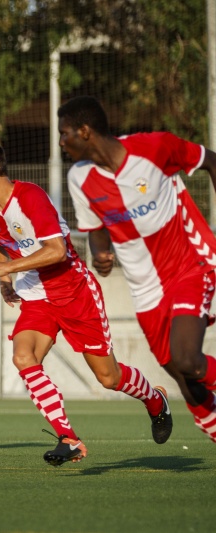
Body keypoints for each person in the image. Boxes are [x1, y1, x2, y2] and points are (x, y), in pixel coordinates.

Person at [0, 140, 172, 465]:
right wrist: (5, 282)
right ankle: (67, 437)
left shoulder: (30, 198)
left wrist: (6, 268)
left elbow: (57, 251)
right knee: (23, 356)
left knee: (108, 378)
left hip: (73, 293)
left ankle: (156, 400)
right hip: (36, 298)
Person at [58, 96, 216, 443]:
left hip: (189, 266)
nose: (61, 142)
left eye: (64, 133)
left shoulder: (156, 148)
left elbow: (212, 162)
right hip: (145, 291)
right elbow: (96, 231)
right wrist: (101, 255)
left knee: (188, 359)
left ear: (85, 132)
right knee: (185, 380)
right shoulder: (79, 178)